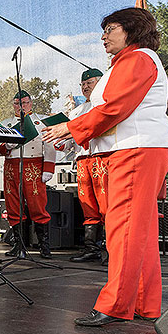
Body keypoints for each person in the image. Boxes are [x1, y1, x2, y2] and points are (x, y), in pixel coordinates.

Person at [42, 8, 168, 326]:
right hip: (140, 147)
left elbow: (114, 109)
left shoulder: (137, 59)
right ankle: (144, 302)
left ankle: (115, 305)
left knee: (122, 228)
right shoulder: (133, 61)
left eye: (110, 29)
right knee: (140, 230)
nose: (103, 36)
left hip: (136, 150)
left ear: (131, 30)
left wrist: (69, 128)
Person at [0, 90, 56, 259]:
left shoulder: (40, 122)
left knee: (37, 205)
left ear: (30, 103)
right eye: (17, 103)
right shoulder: (5, 124)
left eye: (24, 102)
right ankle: (19, 245)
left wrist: (48, 169)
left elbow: (49, 146)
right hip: (11, 166)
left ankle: (44, 246)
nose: (21, 106)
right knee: (13, 206)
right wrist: (6, 146)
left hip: (33, 165)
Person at [65, 69, 108, 263]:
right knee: (87, 204)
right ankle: (91, 248)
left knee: (106, 203)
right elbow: (69, 142)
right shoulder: (76, 112)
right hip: (82, 159)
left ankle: (110, 249)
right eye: (83, 84)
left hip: (101, 157)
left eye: (90, 83)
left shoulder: (106, 104)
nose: (85, 87)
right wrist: (60, 142)